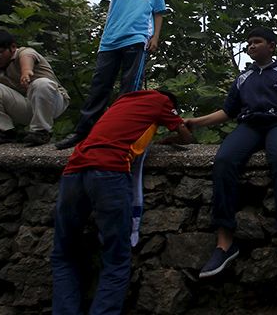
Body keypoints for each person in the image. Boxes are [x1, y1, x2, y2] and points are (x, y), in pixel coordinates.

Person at [51, 88, 192, 315]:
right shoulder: (162, 101)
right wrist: (170, 134)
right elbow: (187, 137)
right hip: (109, 170)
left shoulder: (123, 100)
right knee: (116, 256)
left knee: (64, 251)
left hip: (74, 169)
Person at [190, 26, 277, 277]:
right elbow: (227, 112)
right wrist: (195, 122)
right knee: (224, 160)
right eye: (248, 43)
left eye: (257, 42)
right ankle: (224, 243)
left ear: (271, 45)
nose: (251, 46)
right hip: (249, 126)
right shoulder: (243, 78)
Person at [56, 0, 166, 150]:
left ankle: (121, 135)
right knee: (99, 87)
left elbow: (158, 13)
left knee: (130, 89)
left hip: (137, 40)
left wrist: (155, 37)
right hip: (110, 42)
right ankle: (83, 133)